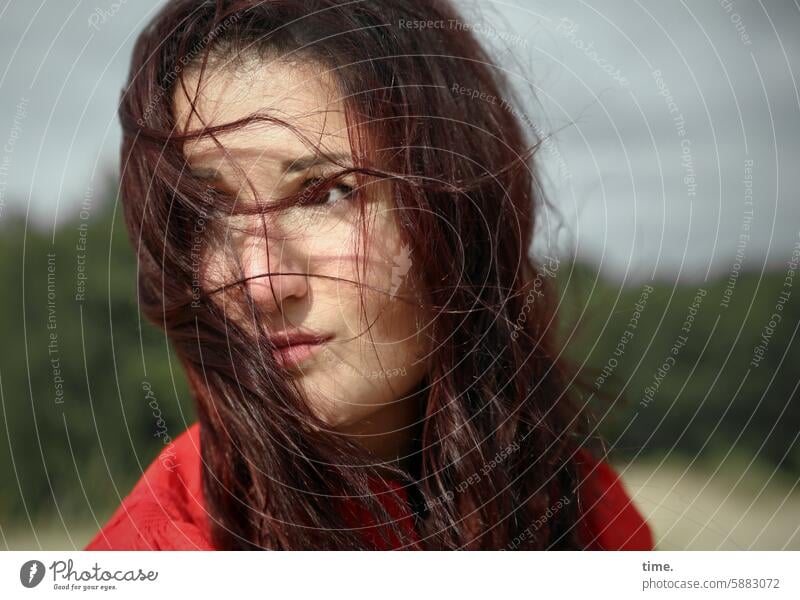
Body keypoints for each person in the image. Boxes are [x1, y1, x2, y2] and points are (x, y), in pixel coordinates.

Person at [86, 0, 654, 550]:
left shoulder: (588, 518)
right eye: (208, 212)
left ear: (456, 210)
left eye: (325, 194)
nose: (261, 283)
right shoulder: (160, 554)